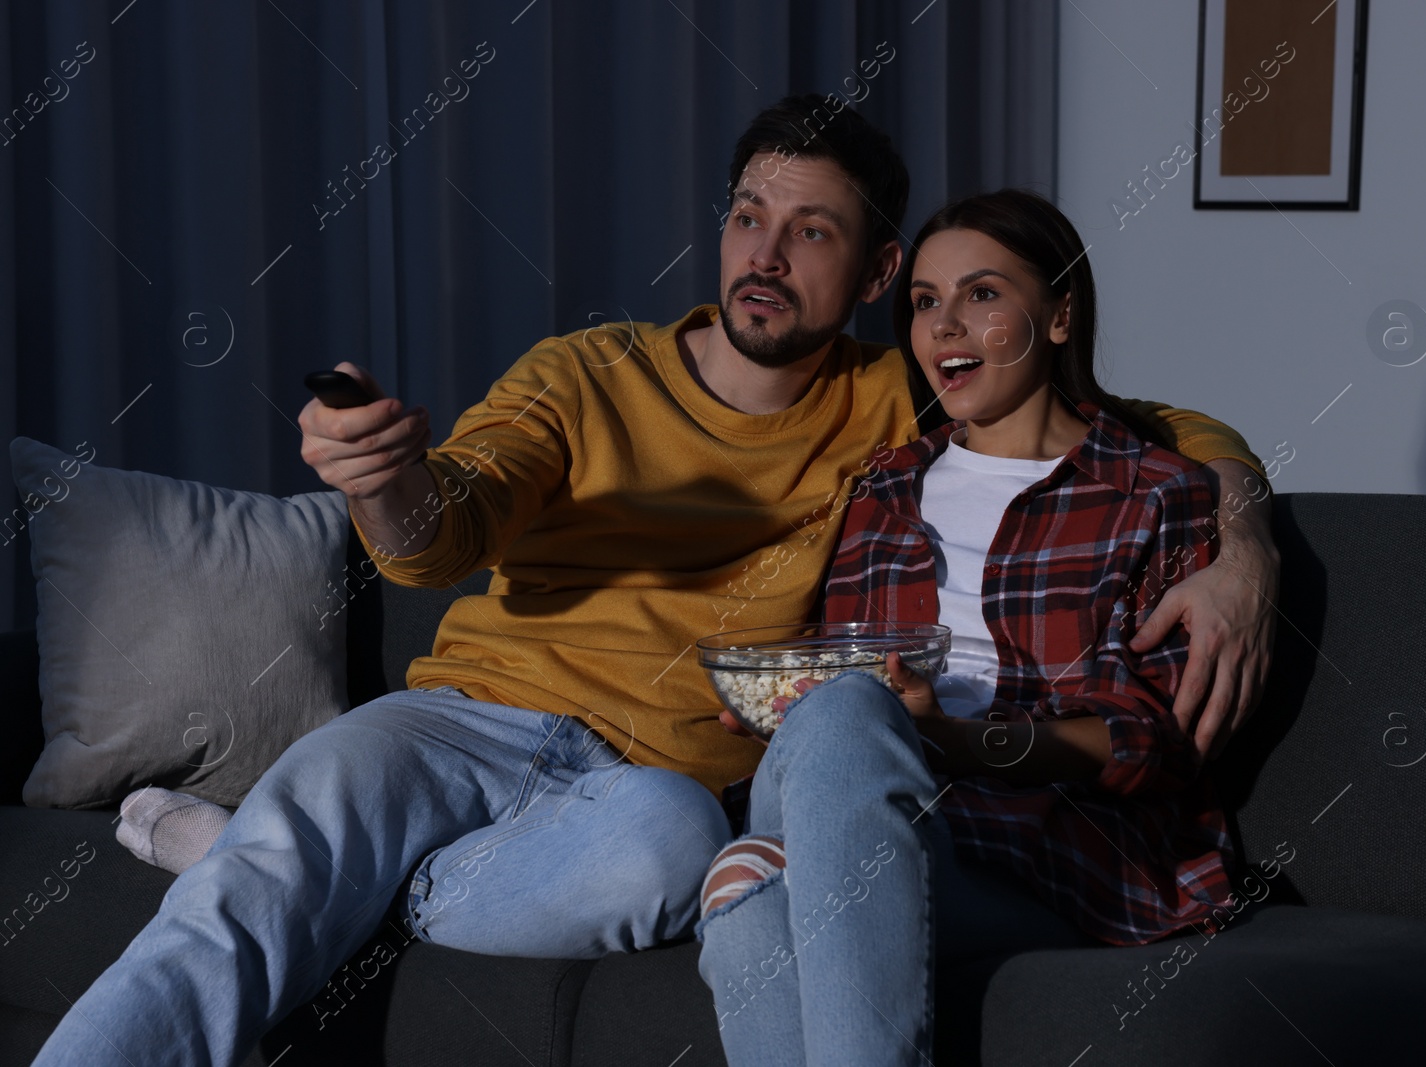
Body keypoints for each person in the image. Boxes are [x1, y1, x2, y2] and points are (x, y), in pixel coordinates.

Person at [33, 96, 1276, 1067]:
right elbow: (441, 528)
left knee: (688, 852)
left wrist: (1242, 548)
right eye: (747, 215)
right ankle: (272, 863)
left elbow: (1147, 426)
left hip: (654, 792)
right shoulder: (587, 371)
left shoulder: (903, 395)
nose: (764, 255)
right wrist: (375, 477)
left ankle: (310, 873)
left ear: (879, 270)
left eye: (811, 231)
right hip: (461, 720)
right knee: (257, 890)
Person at [695, 188, 1239, 1064]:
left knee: (750, 880)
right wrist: (788, 708)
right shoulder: (882, 487)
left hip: (1044, 846)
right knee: (823, 736)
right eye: (924, 302)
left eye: (982, 295)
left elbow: (1154, 741)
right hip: (875, 805)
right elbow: (845, 676)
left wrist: (945, 737)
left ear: (1059, 315)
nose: (944, 325)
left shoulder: (1152, 493)